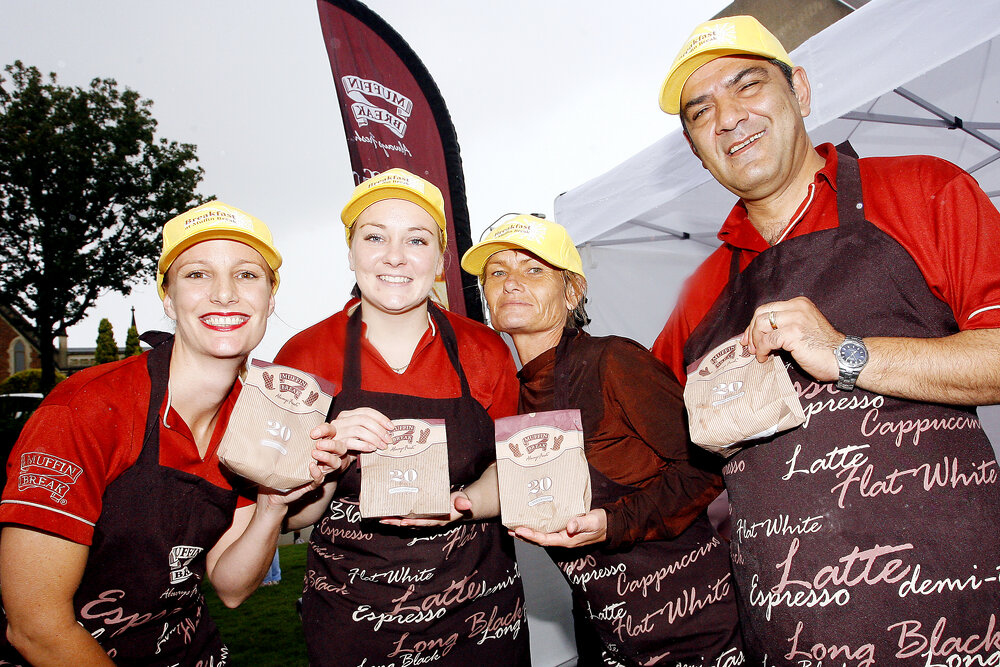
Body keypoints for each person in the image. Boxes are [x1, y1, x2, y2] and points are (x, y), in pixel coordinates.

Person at [652, 15, 1000, 664]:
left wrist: (846, 352)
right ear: (697, 149)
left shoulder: (925, 189)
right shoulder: (700, 294)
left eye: (746, 85)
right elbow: (669, 467)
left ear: (801, 92)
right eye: (702, 112)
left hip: (957, 621)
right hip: (790, 640)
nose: (727, 117)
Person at [0, 201, 317, 665]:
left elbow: (231, 586)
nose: (225, 293)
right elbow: (36, 626)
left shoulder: (251, 418)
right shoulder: (86, 410)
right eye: (197, 274)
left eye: (248, 274)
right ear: (167, 299)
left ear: (270, 299)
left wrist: (273, 505)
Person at [462, 214, 743, 667]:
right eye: (497, 272)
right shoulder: (511, 397)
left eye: (533, 269)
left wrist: (613, 523)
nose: (511, 282)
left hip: (699, 623)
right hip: (609, 629)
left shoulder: (613, 361)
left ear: (572, 290)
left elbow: (707, 466)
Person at [276, 169, 530, 665]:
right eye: (375, 237)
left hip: (480, 618)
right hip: (356, 621)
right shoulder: (305, 355)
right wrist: (327, 460)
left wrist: (460, 504)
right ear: (351, 252)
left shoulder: (484, 351)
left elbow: (514, 467)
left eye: (416, 239)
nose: (395, 256)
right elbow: (287, 516)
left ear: (440, 258)